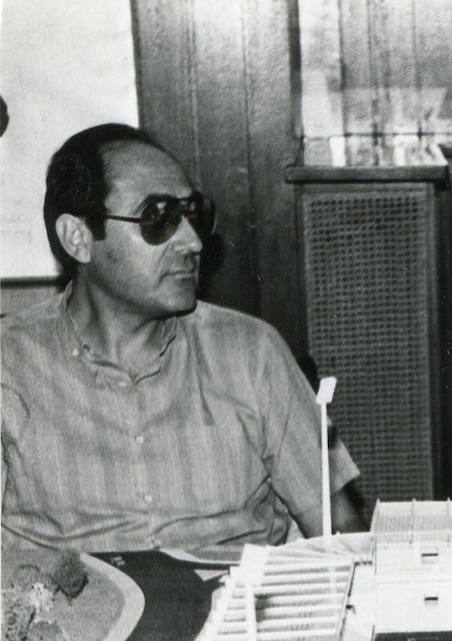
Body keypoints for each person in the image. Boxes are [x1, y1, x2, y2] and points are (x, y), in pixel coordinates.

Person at [1, 123, 365, 551]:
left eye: (194, 215)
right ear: (78, 238)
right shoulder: (11, 366)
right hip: (79, 614)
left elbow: (340, 531)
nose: (193, 241)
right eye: (158, 219)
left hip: (235, 609)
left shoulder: (252, 354)